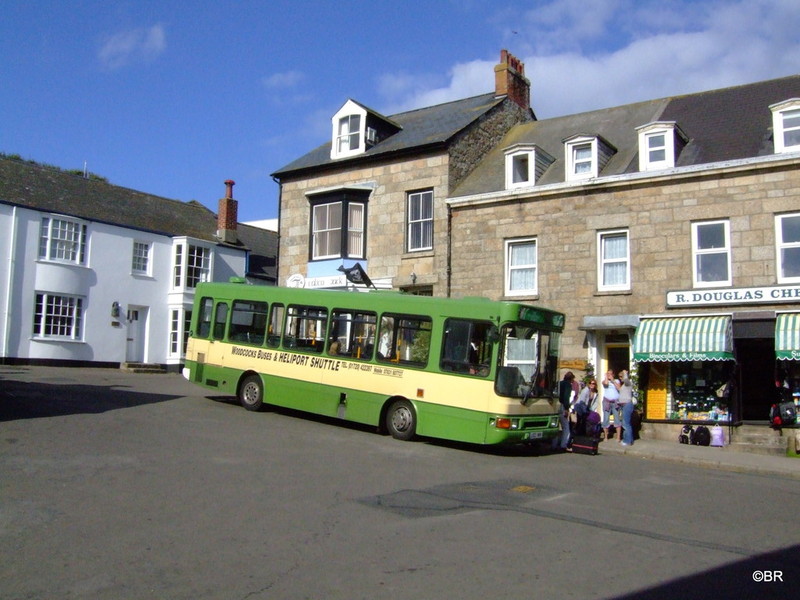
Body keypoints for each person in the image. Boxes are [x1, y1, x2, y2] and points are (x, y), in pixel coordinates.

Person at [556, 371, 576, 451]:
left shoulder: (559, 383)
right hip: (562, 406)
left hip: (556, 405)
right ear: (571, 379)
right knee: (566, 427)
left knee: (556, 427)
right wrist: (567, 409)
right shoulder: (568, 385)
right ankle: (563, 445)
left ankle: (554, 445)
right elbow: (566, 397)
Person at [601, 369, 621, 440]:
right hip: (607, 401)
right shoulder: (604, 381)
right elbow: (605, 384)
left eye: (610, 373)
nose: (609, 375)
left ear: (613, 375)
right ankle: (606, 437)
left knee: (617, 418)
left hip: (615, 402)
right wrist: (606, 377)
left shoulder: (617, 381)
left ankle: (618, 437)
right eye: (608, 373)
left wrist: (613, 380)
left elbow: (619, 388)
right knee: (606, 418)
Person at [617, 369, 635, 446]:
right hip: (623, 405)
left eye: (621, 376)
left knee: (626, 424)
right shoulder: (623, 385)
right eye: (619, 377)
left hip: (627, 405)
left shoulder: (628, 383)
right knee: (625, 423)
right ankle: (628, 439)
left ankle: (627, 441)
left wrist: (625, 373)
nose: (620, 378)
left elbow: (626, 379)